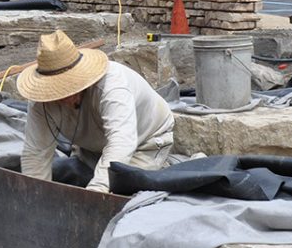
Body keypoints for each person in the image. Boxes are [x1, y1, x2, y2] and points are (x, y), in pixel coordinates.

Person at [17, 30, 174, 193]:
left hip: (145, 143)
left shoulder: (112, 87)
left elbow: (122, 141)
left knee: (126, 190)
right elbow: (36, 152)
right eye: (57, 91)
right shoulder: (41, 101)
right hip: (92, 149)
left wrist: (97, 190)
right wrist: (34, 195)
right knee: (66, 176)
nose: (63, 97)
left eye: (67, 89)